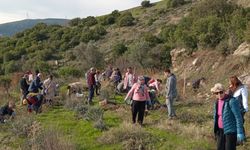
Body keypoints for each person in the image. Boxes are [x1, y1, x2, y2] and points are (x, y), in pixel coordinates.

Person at [211, 83, 245, 150]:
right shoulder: (217, 102)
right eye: (216, 93)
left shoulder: (231, 101)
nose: (219, 94)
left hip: (230, 131)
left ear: (224, 91)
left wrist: (240, 132)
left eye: (221, 92)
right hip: (220, 131)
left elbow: (238, 117)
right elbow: (216, 116)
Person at [229, 76, 248, 141]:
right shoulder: (231, 88)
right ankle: (238, 137)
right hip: (233, 109)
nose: (230, 83)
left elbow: (244, 98)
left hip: (240, 109)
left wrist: (245, 108)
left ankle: (242, 138)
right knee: (235, 123)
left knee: (240, 122)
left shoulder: (242, 88)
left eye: (231, 82)